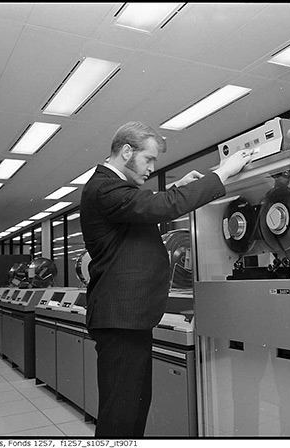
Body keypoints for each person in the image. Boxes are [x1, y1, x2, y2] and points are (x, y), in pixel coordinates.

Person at [80, 121, 253, 437]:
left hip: (129, 318)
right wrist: (223, 173)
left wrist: (176, 188)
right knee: (120, 416)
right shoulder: (105, 188)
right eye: (149, 159)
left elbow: (147, 207)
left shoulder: (112, 189)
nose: (151, 167)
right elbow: (157, 206)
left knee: (132, 410)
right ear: (127, 151)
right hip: (121, 320)